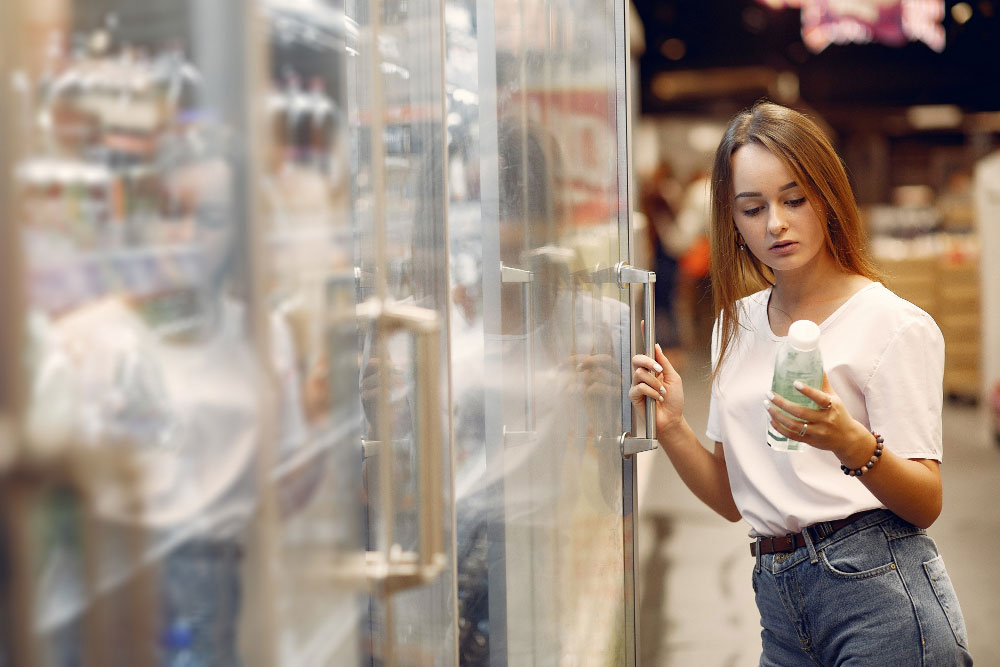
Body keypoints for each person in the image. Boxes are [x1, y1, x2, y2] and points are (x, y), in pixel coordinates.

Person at [629, 101, 972, 666]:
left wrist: (850, 441)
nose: (775, 224)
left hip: (878, 592)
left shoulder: (893, 324)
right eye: (752, 208)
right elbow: (731, 497)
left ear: (829, 196)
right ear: (731, 220)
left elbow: (925, 502)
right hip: (778, 602)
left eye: (794, 199)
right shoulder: (733, 324)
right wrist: (669, 425)